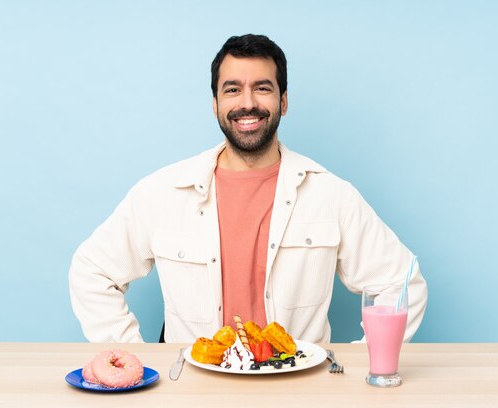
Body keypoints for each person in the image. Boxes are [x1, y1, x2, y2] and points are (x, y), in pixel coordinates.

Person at [69, 34, 427, 344]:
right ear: (215, 105)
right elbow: (92, 270)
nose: (248, 103)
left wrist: (368, 363)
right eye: (233, 90)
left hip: (296, 391)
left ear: (283, 101)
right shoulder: (162, 192)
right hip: (192, 391)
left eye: (263, 88)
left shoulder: (331, 195)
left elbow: (402, 282)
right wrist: (135, 358)